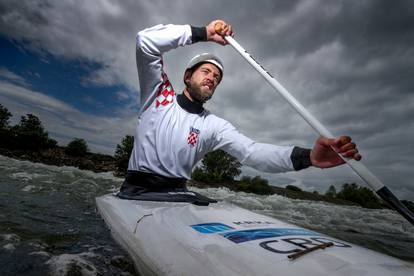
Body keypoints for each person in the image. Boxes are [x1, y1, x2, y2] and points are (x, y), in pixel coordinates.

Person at [118, 19, 361, 204]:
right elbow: (146, 42)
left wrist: (309, 158)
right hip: (137, 193)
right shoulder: (158, 95)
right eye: (206, 72)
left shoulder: (214, 126)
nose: (212, 78)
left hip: (179, 195)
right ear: (187, 76)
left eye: (217, 77)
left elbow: (252, 153)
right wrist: (203, 33)